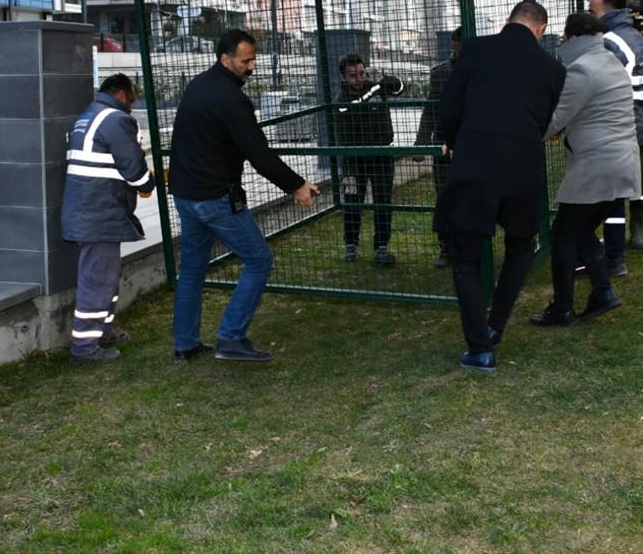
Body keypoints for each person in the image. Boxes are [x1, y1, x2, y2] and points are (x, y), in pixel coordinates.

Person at [168, 29, 320, 363]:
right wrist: (296, 185)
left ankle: (185, 343)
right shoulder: (230, 98)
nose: (252, 66)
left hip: (187, 195)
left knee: (192, 269)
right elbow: (258, 153)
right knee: (259, 259)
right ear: (225, 59)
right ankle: (232, 338)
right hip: (213, 198)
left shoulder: (199, 86)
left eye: (254, 59)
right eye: (246, 60)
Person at [436, 1, 566, 373]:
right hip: (523, 166)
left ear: (510, 20)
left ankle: (480, 348)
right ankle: (496, 324)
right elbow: (543, 119)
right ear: (541, 28)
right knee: (522, 245)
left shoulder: (476, 49)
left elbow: (449, 106)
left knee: (465, 257)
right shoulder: (553, 69)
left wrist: (455, 139)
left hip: (476, 162)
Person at [530, 12, 640, 327]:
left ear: (575, 37)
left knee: (563, 235)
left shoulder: (582, 69)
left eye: (564, 38)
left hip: (596, 165)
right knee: (579, 231)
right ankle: (603, 293)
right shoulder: (610, 63)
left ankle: (563, 309)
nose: (562, 43)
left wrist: (525, 134)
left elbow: (557, 117)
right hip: (622, 162)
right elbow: (595, 111)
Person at [60, 73, 155, 364]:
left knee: (106, 278)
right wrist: (148, 184)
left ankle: (104, 331)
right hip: (100, 213)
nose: (132, 103)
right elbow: (132, 164)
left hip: (89, 211)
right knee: (98, 280)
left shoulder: (87, 116)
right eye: (132, 97)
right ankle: (85, 348)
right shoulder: (115, 119)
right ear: (122, 94)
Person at [586, 0, 643, 275]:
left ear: (608, 11)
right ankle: (614, 256)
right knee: (614, 197)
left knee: (602, 196)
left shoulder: (611, 42)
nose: (589, 16)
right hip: (635, 124)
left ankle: (606, 257)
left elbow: (599, 84)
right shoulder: (637, 37)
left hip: (615, 128)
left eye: (593, 11)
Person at [334, 53, 401, 265]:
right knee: (353, 202)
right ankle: (351, 245)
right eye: (353, 75)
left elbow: (400, 89)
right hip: (353, 161)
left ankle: (381, 245)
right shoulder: (340, 101)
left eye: (362, 73)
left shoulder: (377, 89)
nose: (359, 78)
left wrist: (391, 82)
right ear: (343, 77)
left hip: (382, 157)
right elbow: (352, 109)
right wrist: (375, 90)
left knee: (383, 201)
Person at [414, 27, 464, 268]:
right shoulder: (440, 73)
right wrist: (421, 144)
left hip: (473, 145)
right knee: (445, 197)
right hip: (445, 145)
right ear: (454, 44)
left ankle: (468, 247)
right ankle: (446, 249)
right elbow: (430, 110)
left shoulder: (483, 69)